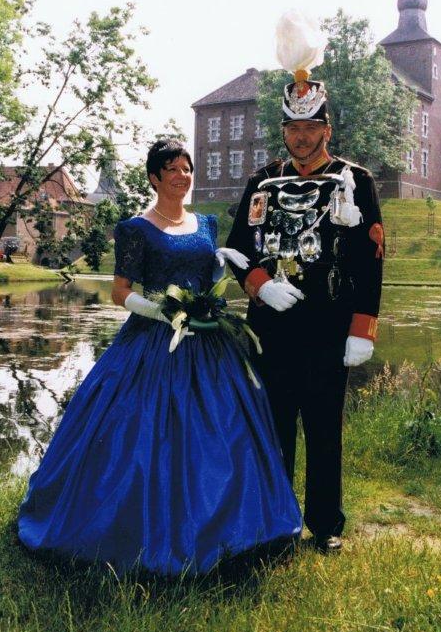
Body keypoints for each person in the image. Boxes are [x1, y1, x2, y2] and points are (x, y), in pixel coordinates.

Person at [17, 139, 302, 576]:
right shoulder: (136, 228)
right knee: (139, 431)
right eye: (172, 169)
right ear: (154, 177)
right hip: (152, 341)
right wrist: (161, 312)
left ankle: (235, 524)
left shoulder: (206, 224)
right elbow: (120, 292)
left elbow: (205, 277)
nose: (182, 176)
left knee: (226, 427)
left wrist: (219, 268)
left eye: (187, 169)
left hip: (207, 343)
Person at [226, 76, 384, 554]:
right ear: (283, 130)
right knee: (272, 426)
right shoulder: (262, 181)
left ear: (326, 130)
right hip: (271, 326)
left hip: (328, 325)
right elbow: (238, 246)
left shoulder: (354, 181)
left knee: (323, 426)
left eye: (310, 127)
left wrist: (362, 328)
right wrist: (260, 285)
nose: (301, 137)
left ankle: (324, 522)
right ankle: (276, 522)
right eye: (293, 128)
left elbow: (371, 259)